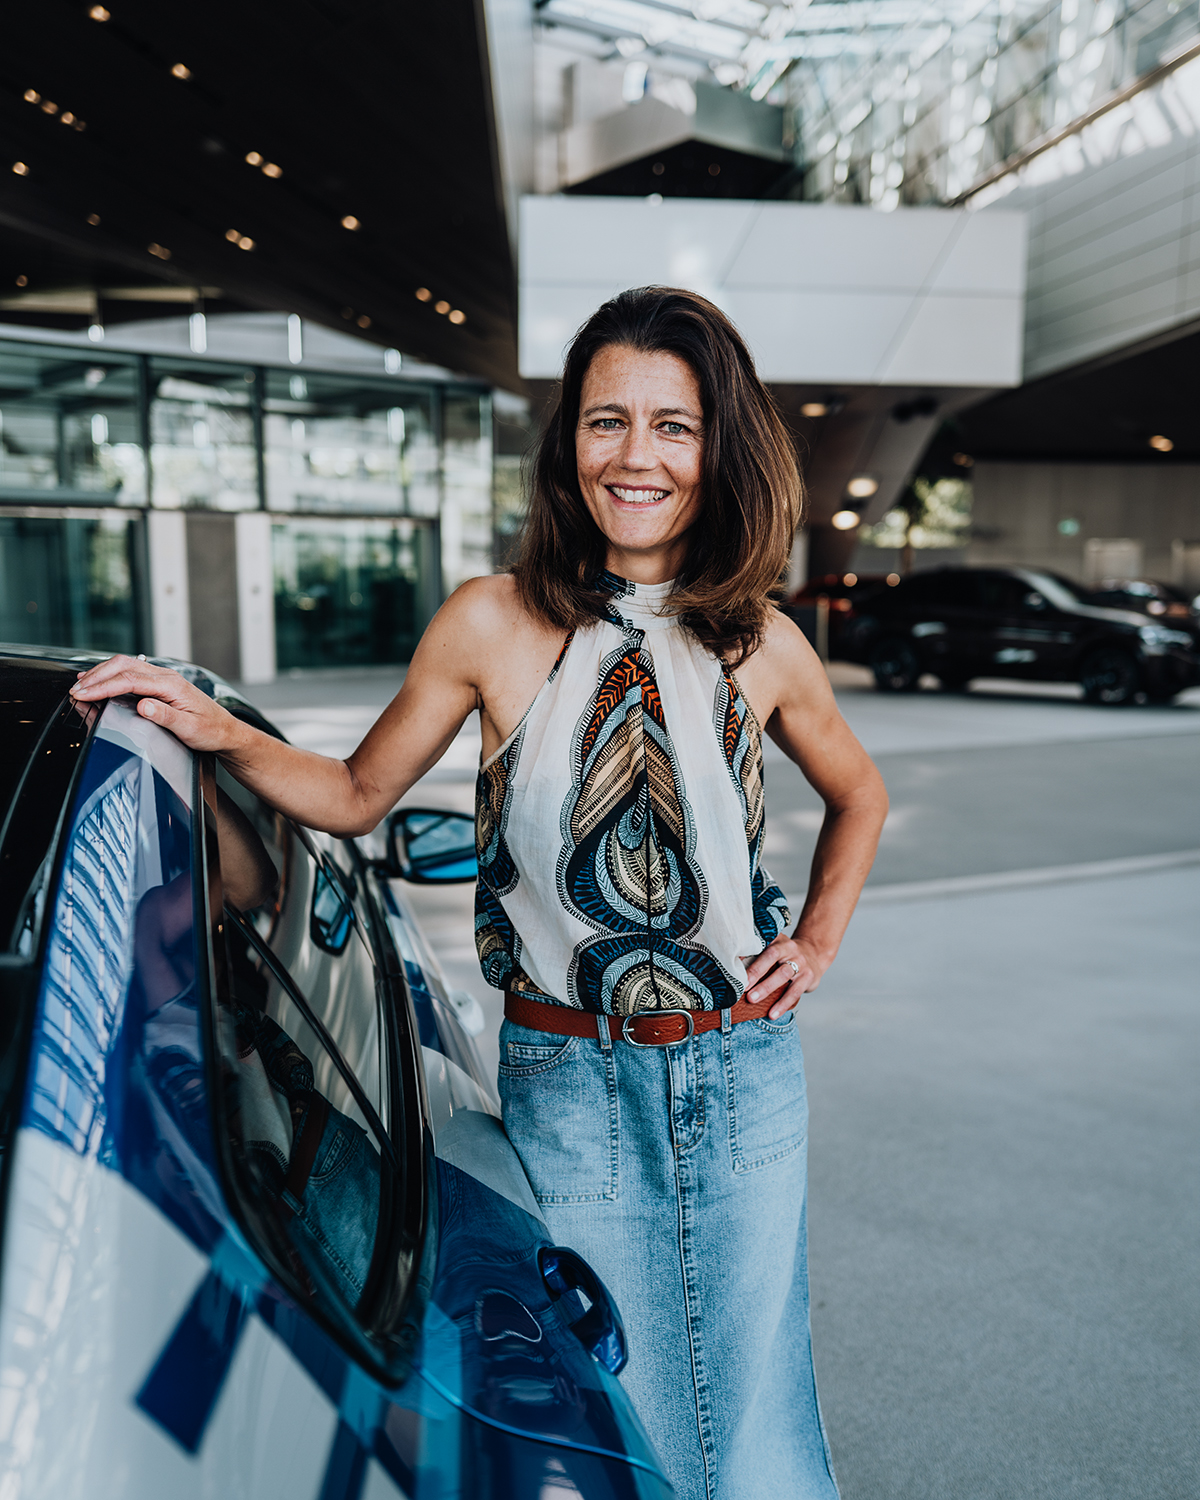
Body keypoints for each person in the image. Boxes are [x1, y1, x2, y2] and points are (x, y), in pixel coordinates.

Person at [73, 286, 888, 1500]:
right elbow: (355, 793)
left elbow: (859, 796)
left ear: (719, 450)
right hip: (571, 1079)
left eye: (675, 425)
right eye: (607, 420)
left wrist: (813, 945)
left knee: (758, 1401)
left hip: (744, 1071)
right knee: (621, 1414)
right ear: (569, 445)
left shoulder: (756, 639)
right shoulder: (492, 622)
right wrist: (218, 729)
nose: (638, 455)